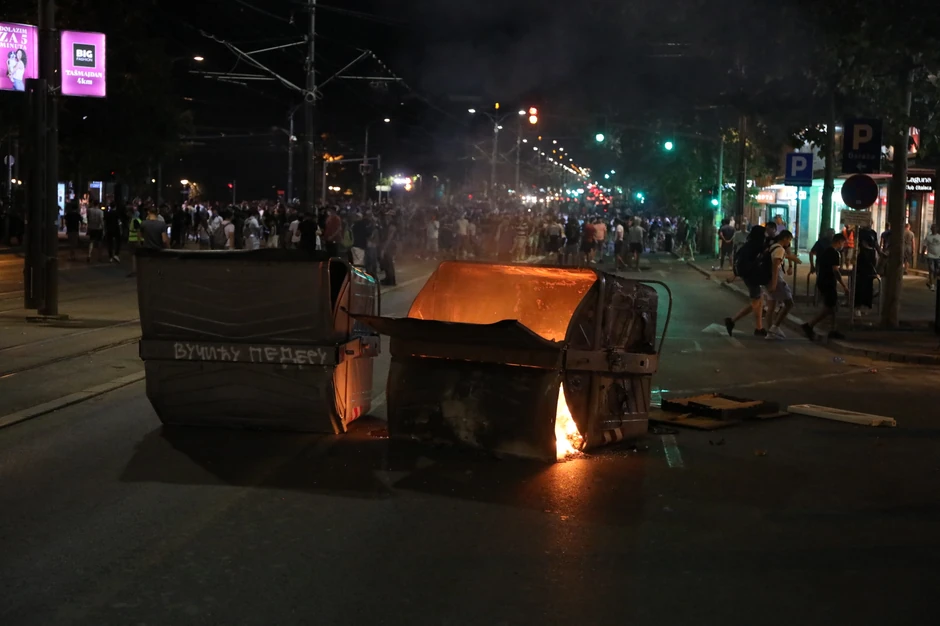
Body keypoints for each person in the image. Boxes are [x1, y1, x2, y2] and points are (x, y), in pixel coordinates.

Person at [724, 225, 768, 337]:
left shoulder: (747, 245)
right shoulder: (757, 245)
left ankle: (759, 327)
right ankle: (732, 321)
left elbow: (739, 260)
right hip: (752, 276)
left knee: (759, 301)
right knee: (755, 303)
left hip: (748, 275)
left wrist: (735, 274)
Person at [802, 234, 848, 341]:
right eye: (843, 243)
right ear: (839, 241)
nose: (843, 245)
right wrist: (844, 285)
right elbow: (835, 270)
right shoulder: (834, 253)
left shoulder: (825, 251)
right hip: (828, 282)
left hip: (822, 280)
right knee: (829, 308)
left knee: (833, 307)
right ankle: (809, 325)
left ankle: (833, 329)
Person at [762, 230, 798, 339]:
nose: (789, 243)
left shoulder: (773, 247)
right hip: (776, 280)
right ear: (785, 238)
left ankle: (770, 332)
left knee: (771, 306)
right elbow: (775, 267)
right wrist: (774, 283)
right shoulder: (780, 249)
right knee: (789, 303)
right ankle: (775, 327)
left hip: (767, 279)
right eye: (789, 240)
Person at [923, 223, 940, 292]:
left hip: (938, 256)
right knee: (931, 270)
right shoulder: (928, 237)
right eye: (932, 228)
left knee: (937, 271)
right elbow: (924, 246)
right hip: (930, 256)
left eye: (935, 228)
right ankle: (932, 284)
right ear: (931, 229)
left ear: (937, 229)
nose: (934, 229)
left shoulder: (939, 237)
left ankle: (930, 282)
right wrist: (922, 254)